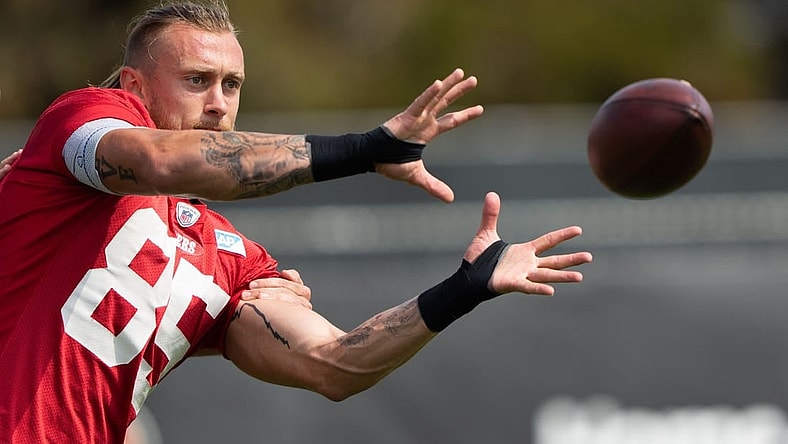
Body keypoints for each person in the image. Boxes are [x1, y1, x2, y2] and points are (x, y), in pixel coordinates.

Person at [0, 1, 593, 442]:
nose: (218, 104)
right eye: (196, 80)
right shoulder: (80, 126)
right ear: (134, 84)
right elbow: (163, 161)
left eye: (232, 84)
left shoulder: (235, 261)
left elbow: (333, 363)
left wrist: (464, 288)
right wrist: (366, 149)